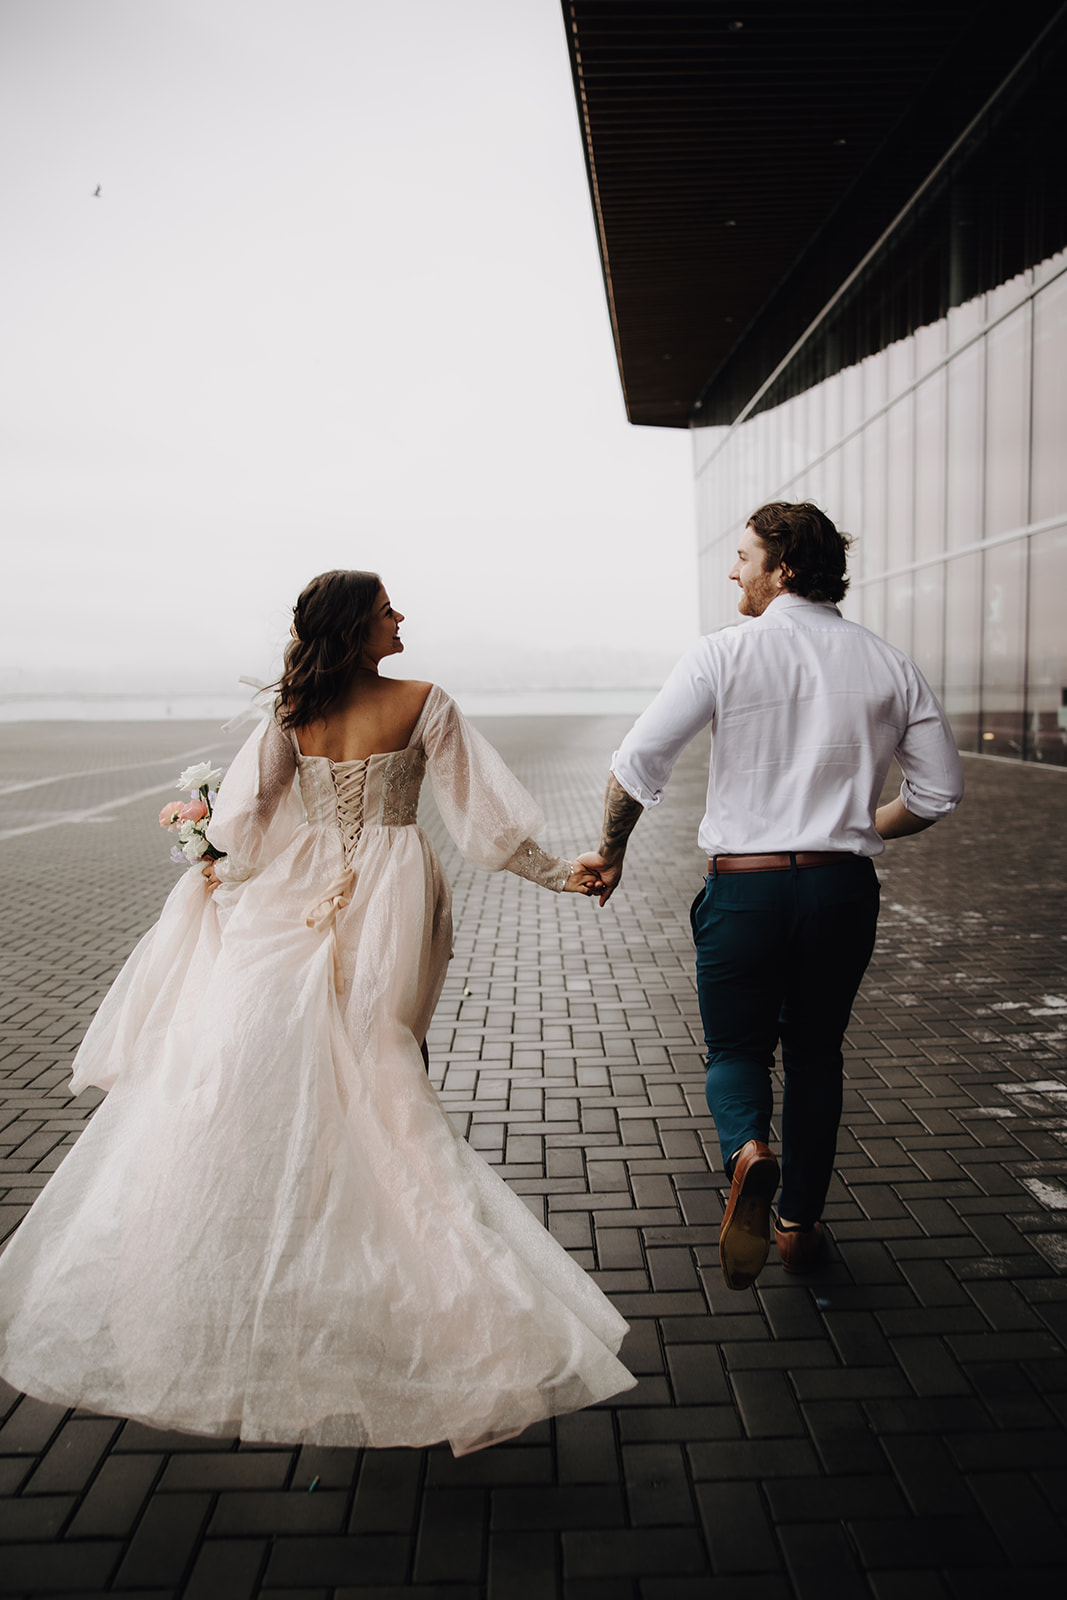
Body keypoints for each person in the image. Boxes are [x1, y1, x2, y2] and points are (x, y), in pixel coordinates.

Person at [0, 570, 635, 1454]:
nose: (401, 617)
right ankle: (451, 1309)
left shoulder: (293, 713)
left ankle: (240, 1283)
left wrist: (206, 850)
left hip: (293, 899)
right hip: (394, 896)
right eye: (387, 610)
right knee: (381, 1077)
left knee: (285, 1075)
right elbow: (483, 822)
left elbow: (247, 824)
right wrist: (561, 872)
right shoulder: (426, 701)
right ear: (357, 626)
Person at [579, 502, 963, 1291]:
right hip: (840, 891)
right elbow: (937, 794)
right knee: (817, 1052)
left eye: (743, 556)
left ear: (782, 566)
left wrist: (611, 852)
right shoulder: (891, 664)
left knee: (736, 1050)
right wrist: (856, 829)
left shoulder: (722, 654)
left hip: (746, 890)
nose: (732, 571)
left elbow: (634, 765)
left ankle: (747, 1151)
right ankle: (796, 1226)